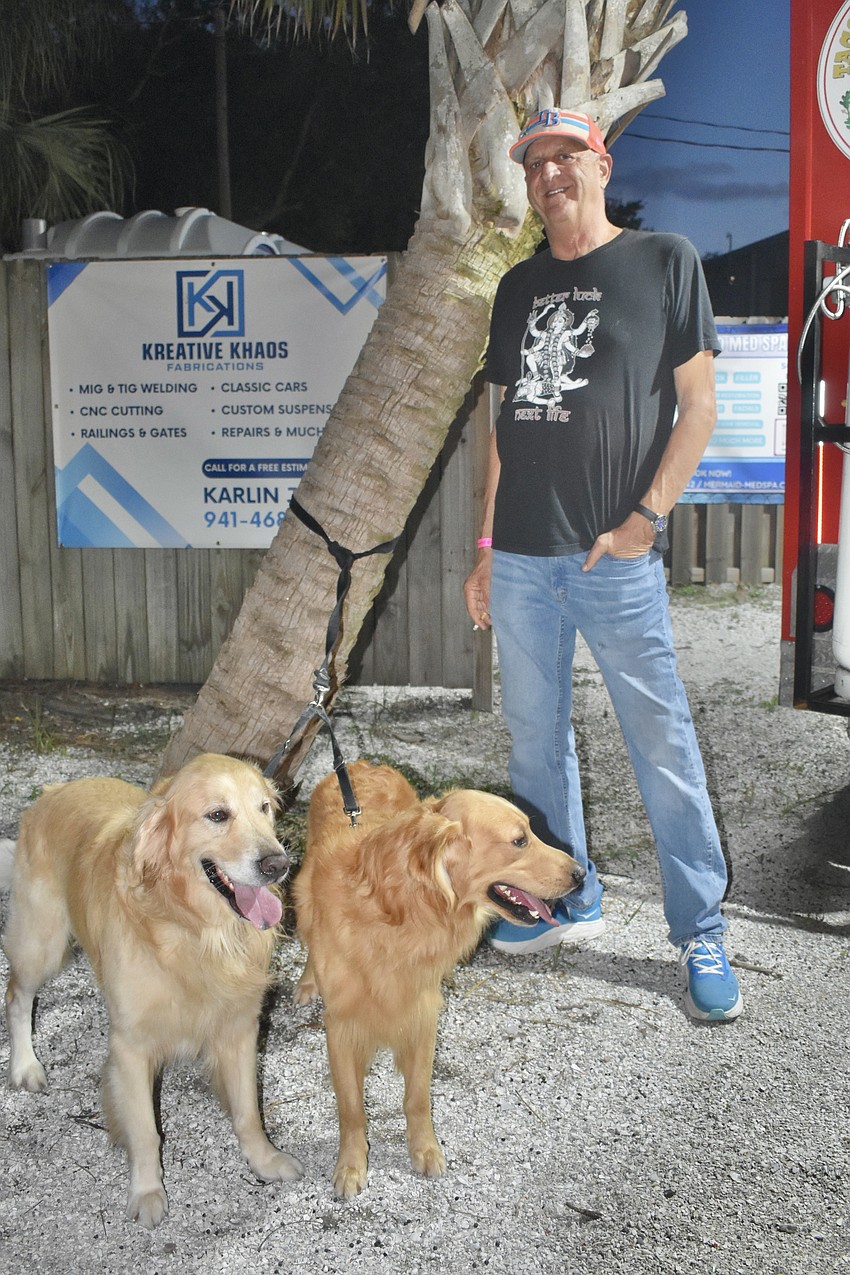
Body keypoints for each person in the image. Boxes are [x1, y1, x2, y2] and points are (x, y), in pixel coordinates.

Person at [463, 107, 741, 1023]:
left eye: (564, 157)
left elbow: (698, 406)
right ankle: (564, 898)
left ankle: (700, 925)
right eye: (535, 163)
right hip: (523, 562)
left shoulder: (665, 262)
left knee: (660, 745)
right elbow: (504, 426)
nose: (549, 175)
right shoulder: (516, 288)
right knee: (536, 746)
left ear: (600, 163)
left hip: (612, 561)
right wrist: (485, 546)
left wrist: (643, 518)